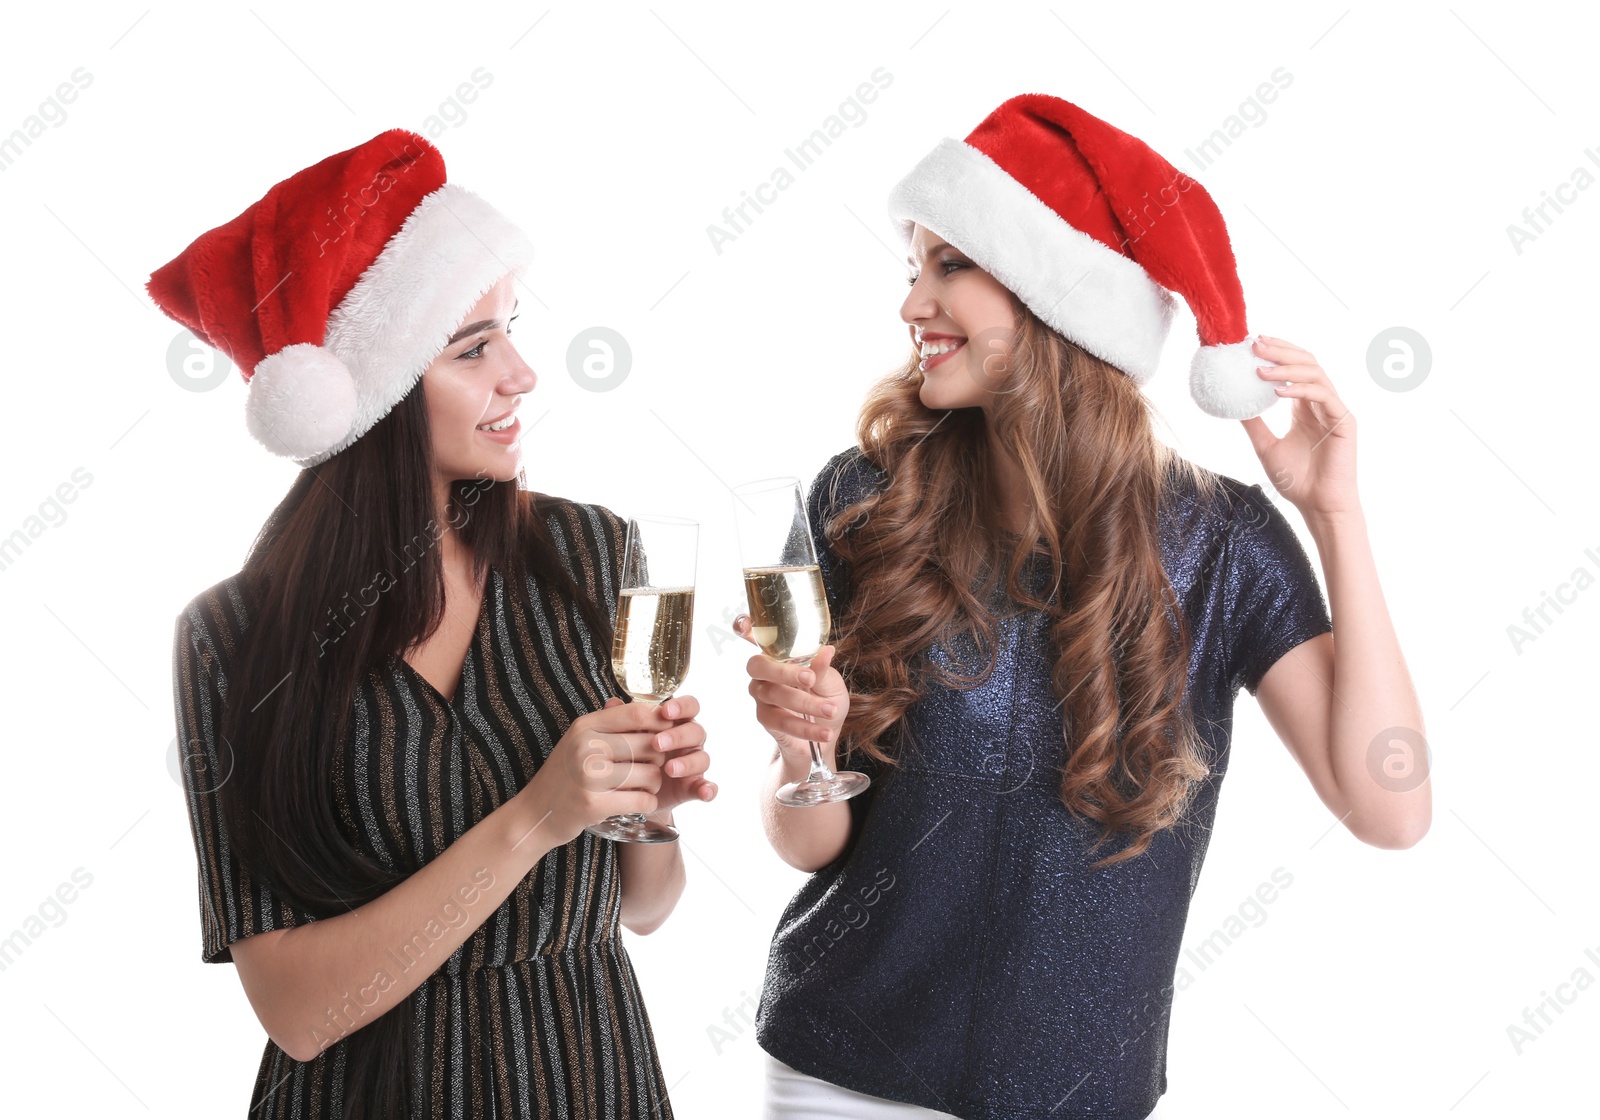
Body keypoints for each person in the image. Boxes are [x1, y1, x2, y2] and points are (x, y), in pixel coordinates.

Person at [734, 94, 1428, 1119]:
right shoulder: (859, 498)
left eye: (951, 265)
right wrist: (801, 754)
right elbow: (808, 845)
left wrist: (1334, 515)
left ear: (1058, 300)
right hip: (842, 1074)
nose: (911, 303)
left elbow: (1390, 805)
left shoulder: (1223, 543)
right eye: (913, 266)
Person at [155, 129, 716, 1119]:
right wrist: (537, 817)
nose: (523, 374)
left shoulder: (592, 554)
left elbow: (642, 904)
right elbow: (294, 1010)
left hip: (592, 1083)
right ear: (368, 396)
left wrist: (650, 806)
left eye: (511, 328)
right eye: (472, 348)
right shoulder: (232, 638)